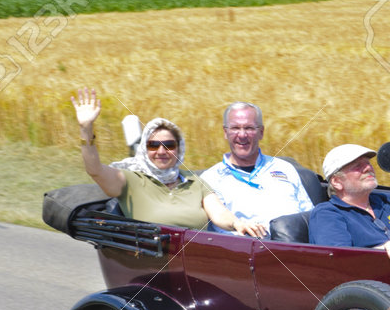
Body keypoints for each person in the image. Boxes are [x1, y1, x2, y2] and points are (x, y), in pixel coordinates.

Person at [70, 88, 267, 237]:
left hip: (199, 261)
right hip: (153, 263)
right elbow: (94, 170)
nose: (161, 151)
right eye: (153, 145)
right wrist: (86, 128)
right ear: (145, 149)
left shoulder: (194, 181)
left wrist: (238, 224)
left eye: (169, 145)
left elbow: (219, 214)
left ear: (179, 149)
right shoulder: (130, 180)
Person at [200, 102, 314, 232]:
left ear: (261, 132)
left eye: (249, 128)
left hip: (292, 247)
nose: (242, 135)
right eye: (235, 128)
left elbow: (310, 217)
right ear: (225, 133)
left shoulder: (285, 169)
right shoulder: (210, 179)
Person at [308, 144, 390, 260]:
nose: (368, 168)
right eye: (357, 166)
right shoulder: (326, 214)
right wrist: (385, 249)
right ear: (337, 182)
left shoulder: (386, 200)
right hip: (371, 278)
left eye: (368, 163)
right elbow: (340, 261)